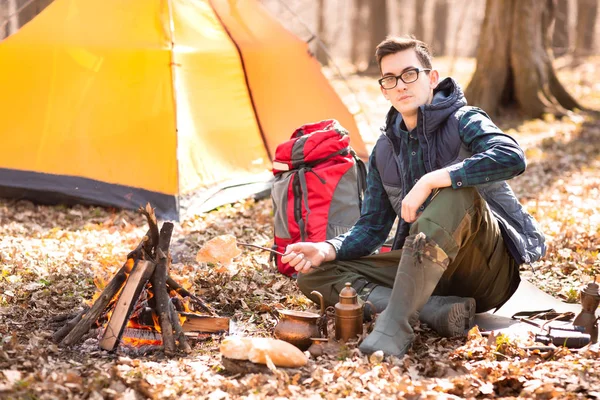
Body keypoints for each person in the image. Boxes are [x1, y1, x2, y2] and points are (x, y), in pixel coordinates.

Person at [281, 35, 546, 357]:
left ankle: (396, 324)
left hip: (485, 270)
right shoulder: (384, 150)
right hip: (422, 269)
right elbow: (372, 228)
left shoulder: (465, 120)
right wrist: (326, 248)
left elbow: (511, 155)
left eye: (410, 74)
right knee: (315, 276)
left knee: (452, 194)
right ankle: (433, 309)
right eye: (390, 79)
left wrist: (433, 180)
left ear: (432, 78)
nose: (401, 85)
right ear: (383, 89)